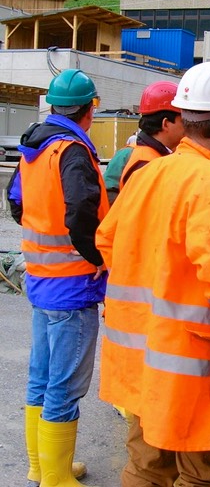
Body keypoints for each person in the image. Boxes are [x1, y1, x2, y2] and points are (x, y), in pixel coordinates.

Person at [96, 61, 210, 487]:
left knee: (146, 466)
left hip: (145, 355)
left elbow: (108, 240)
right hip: (198, 362)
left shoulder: (150, 172)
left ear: (185, 116)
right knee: (204, 474)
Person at [7, 69, 108, 486]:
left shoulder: (35, 146)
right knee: (64, 386)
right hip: (73, 284)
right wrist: (97, 256)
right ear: (89, 110)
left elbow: (15, 201)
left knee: (42, 378)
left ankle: (42, 466)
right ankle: (55, 477)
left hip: (42, 279)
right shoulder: (72, 150)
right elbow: (82, 210)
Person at [103, 80, 183, 204]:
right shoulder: (138, 159)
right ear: (166, 123)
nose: (188, 126)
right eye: (183, 121)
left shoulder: (128, 155)